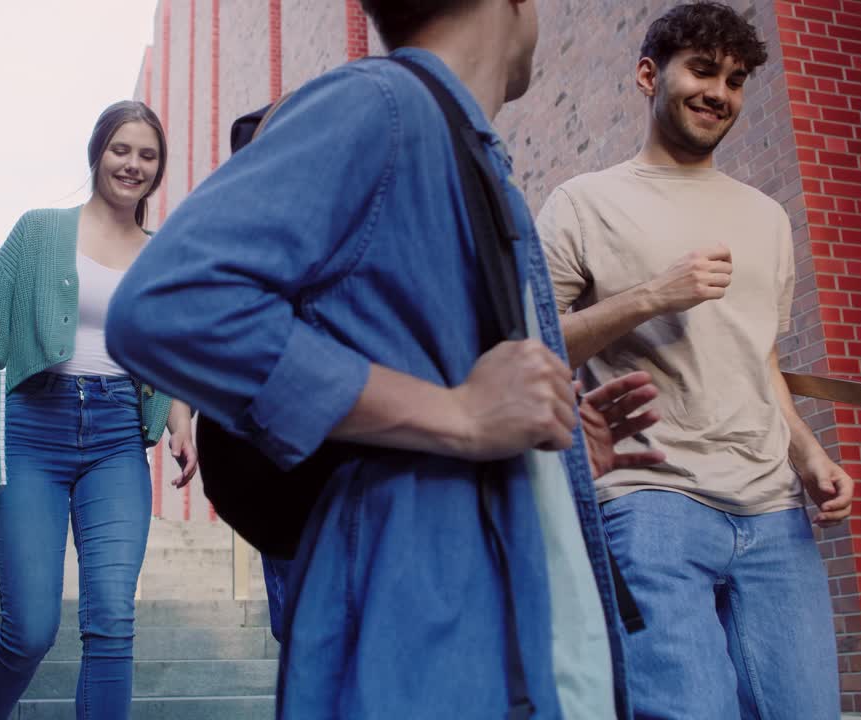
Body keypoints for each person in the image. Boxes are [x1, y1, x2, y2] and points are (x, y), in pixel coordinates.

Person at [105, 2, 666, 717]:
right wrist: (457, 414)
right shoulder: (384, 106)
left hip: (507, 641)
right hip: (423, 639)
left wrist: (548, 457)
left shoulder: (462, 152)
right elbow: (165, 305)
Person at [535, 3, 852, 717]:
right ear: (650, 74)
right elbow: (534, 347)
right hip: (652, 506)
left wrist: (807, 455)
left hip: (775, 514)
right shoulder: (583, 204)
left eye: (736, 80)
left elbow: (758, 354)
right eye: (703, 70)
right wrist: (651, 295)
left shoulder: (766, 217)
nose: (720, 93)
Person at [0, 100, 198, 720]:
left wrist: (182, 418)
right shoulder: (38, 233)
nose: (132, 164)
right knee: (29, 629)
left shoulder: (166, 254)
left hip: (116, 438)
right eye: (121, 149)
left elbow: (178, 351)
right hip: (32, 430)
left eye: (147, 155)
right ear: (97, 152)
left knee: (111, 622)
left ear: (159, 169)